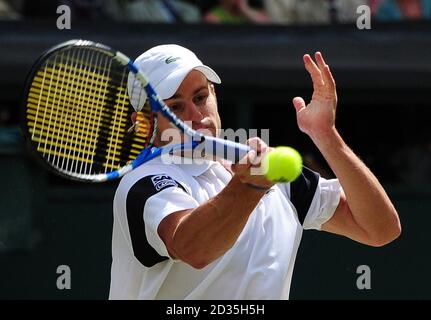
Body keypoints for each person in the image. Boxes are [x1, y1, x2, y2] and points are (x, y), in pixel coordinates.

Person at [109, 44, 401, 299]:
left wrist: (327, 136)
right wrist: (250, 187)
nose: (196, 117)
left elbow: (380, 229)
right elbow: (193, 248)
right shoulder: (143, 184)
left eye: (200, 97)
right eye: (176, 108)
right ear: (146, 123)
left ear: (214, 94)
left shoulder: (276, 179)